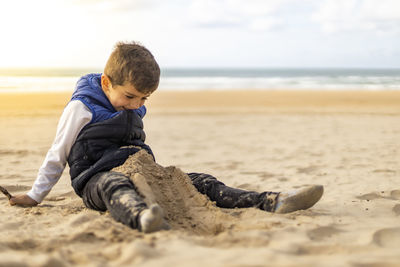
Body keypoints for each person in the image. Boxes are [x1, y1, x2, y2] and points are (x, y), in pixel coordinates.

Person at [9, 41, 323, 233]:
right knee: (112, 185)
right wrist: (36, 195)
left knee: (199, 181)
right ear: (106, 82)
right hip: (95, 180)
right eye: (131, 96)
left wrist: (155, 173)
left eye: (144, 99)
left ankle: (272, 201)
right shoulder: (82, 107)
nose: (136, 105)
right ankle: (143, 218)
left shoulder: (132, 103)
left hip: (143, 172)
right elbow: (58, 152)